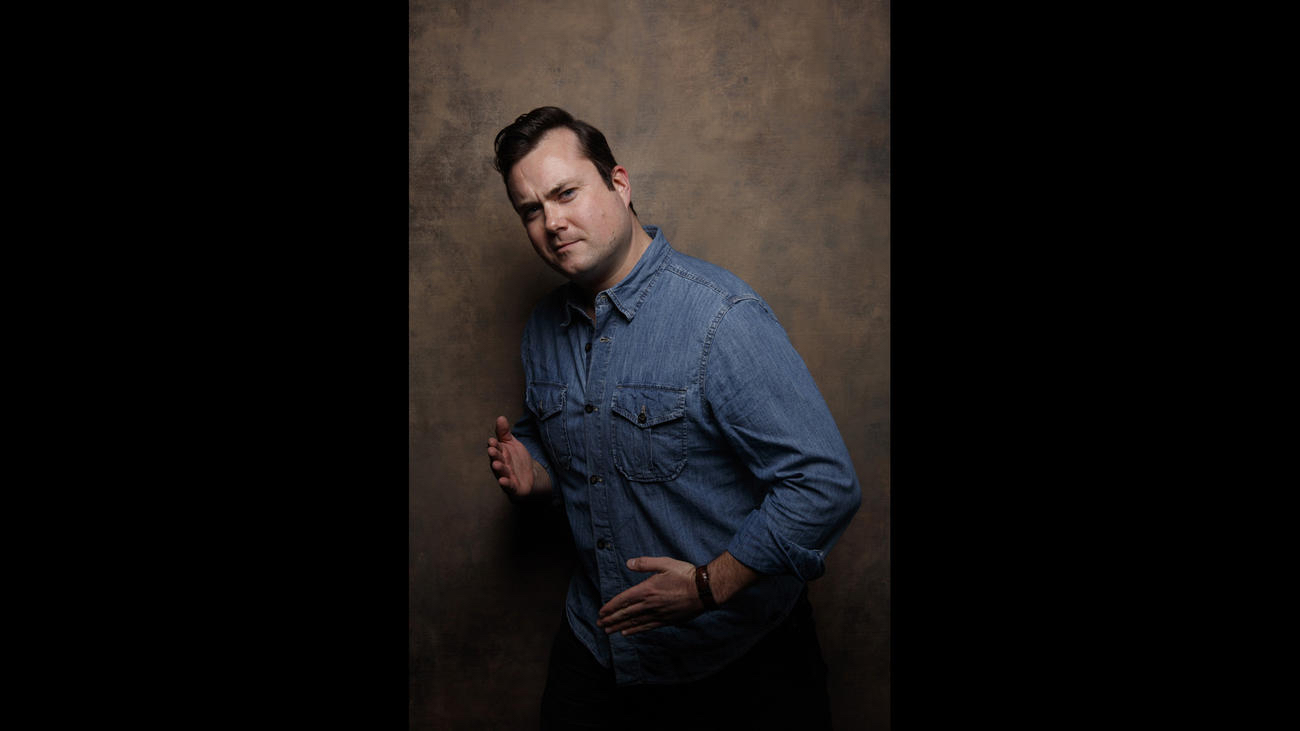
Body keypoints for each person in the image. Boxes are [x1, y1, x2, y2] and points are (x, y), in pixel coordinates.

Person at [485, 106, 861, 730]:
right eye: (530, 209)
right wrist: (538, 479)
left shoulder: (722, 319)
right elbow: (564, 447)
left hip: (736, 661)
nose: (551, 222)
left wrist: (709, 586)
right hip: (596, 649)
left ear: (620, 184)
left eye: (565, 193)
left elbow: (826, 485)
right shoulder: (541, 329)